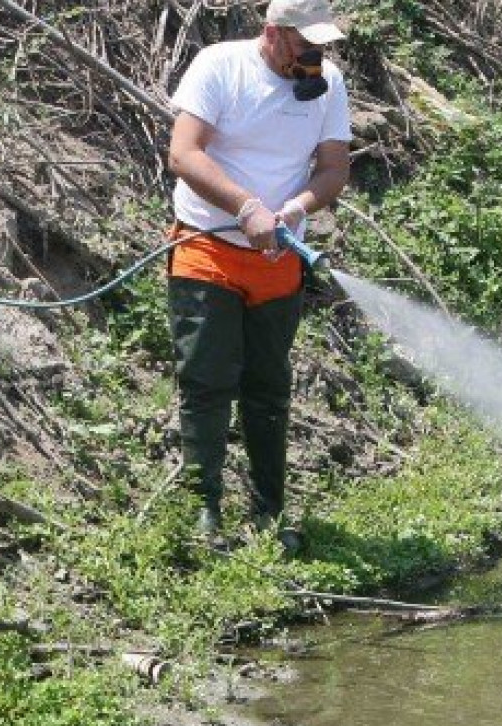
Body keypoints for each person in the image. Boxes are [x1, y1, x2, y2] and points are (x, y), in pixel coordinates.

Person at [166, 0, 351, 552]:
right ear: (272, 34)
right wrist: (245, 206)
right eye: (304, 44)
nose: (314, 55)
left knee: (268, 388)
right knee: (206, 379)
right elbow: (184, 153)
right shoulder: (219, 66)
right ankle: (204, 511)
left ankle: (268, 511)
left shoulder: (328, 82)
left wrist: (295, 208)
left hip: (278, 261)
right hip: (208, 247)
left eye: (321, 45)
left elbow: (334, 167)